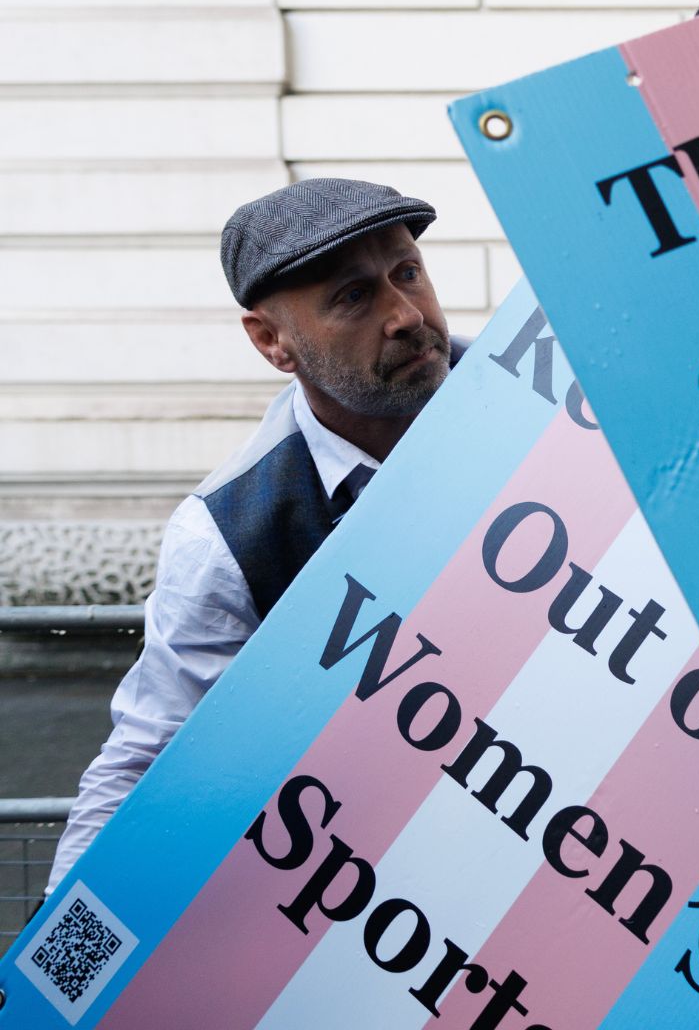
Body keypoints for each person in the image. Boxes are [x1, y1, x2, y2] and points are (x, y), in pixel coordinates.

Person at [46, 178, 461, 892]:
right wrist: (50, 968)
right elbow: (151, 758)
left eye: (407, 272)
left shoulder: (546, 396)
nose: (403, 316)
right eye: (353, 297)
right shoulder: (228, 537)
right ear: (272, 340)